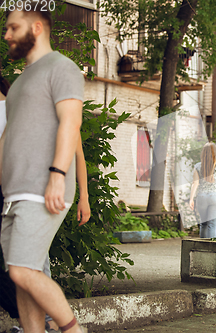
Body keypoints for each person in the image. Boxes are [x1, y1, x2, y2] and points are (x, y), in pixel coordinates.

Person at [0, 5, 86, 333]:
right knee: (21, 277)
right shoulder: (21, 81)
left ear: (36, 28)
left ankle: (73, 330)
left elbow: (71, 123)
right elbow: (9, 137)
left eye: (13, 27)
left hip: (42, 188)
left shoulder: (61, 67)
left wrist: (57, 176)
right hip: (15, 192)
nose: (6, 34)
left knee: (22, 270)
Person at [189, 142, 216, 238]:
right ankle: (211, 249)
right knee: (212, 225)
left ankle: (202, 248)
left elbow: (195, 183)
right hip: (215, 196)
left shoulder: (197, 166)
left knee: (203, 224)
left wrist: (191, 199)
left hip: (202, 197)